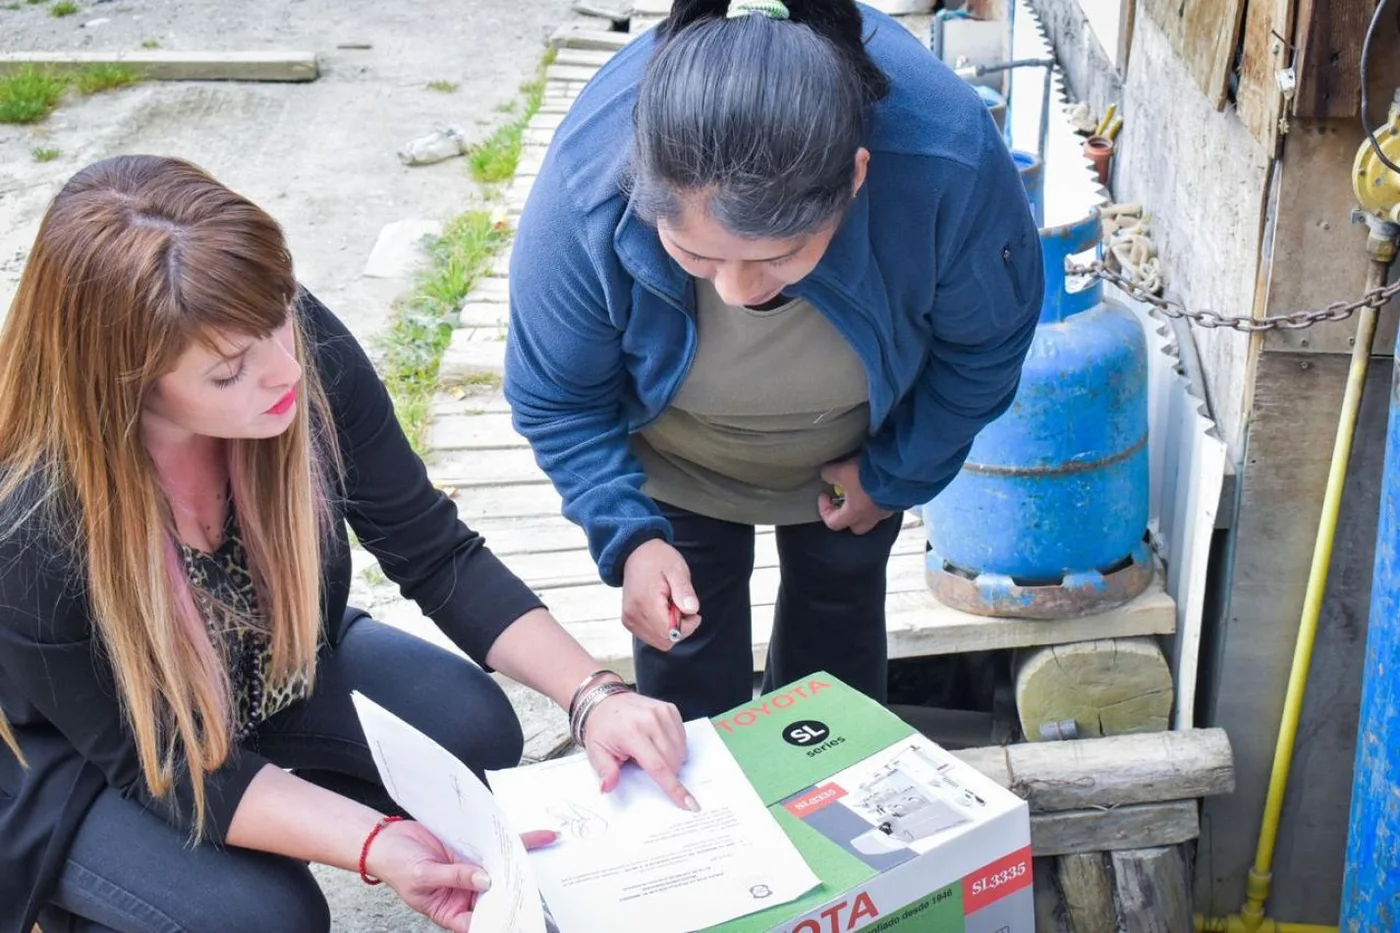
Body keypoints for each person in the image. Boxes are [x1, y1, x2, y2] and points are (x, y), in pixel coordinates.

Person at [0, 155, 695, 933]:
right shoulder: (31, 524)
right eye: (230, 372)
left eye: (279, 320)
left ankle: (242, 840)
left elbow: (432, 547)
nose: (285, 370)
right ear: (123, 384)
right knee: (261, 917)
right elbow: (153, 766)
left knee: (473, 726)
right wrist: (377, 843)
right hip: (91, 755)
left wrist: (595, 696)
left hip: (269, 669)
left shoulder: (284, 341)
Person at [504, 0, 1045, 721]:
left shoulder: (945, 160)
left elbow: (985, 347)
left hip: (858, 449)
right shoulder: (586, 189)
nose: (736, 290)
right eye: (696, 254)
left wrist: (896, 473)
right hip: (678, 458)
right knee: (686, 659)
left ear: (856, 179)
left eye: (778, 256)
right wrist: (628, 534)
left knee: (838, 643)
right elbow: (555, 399)